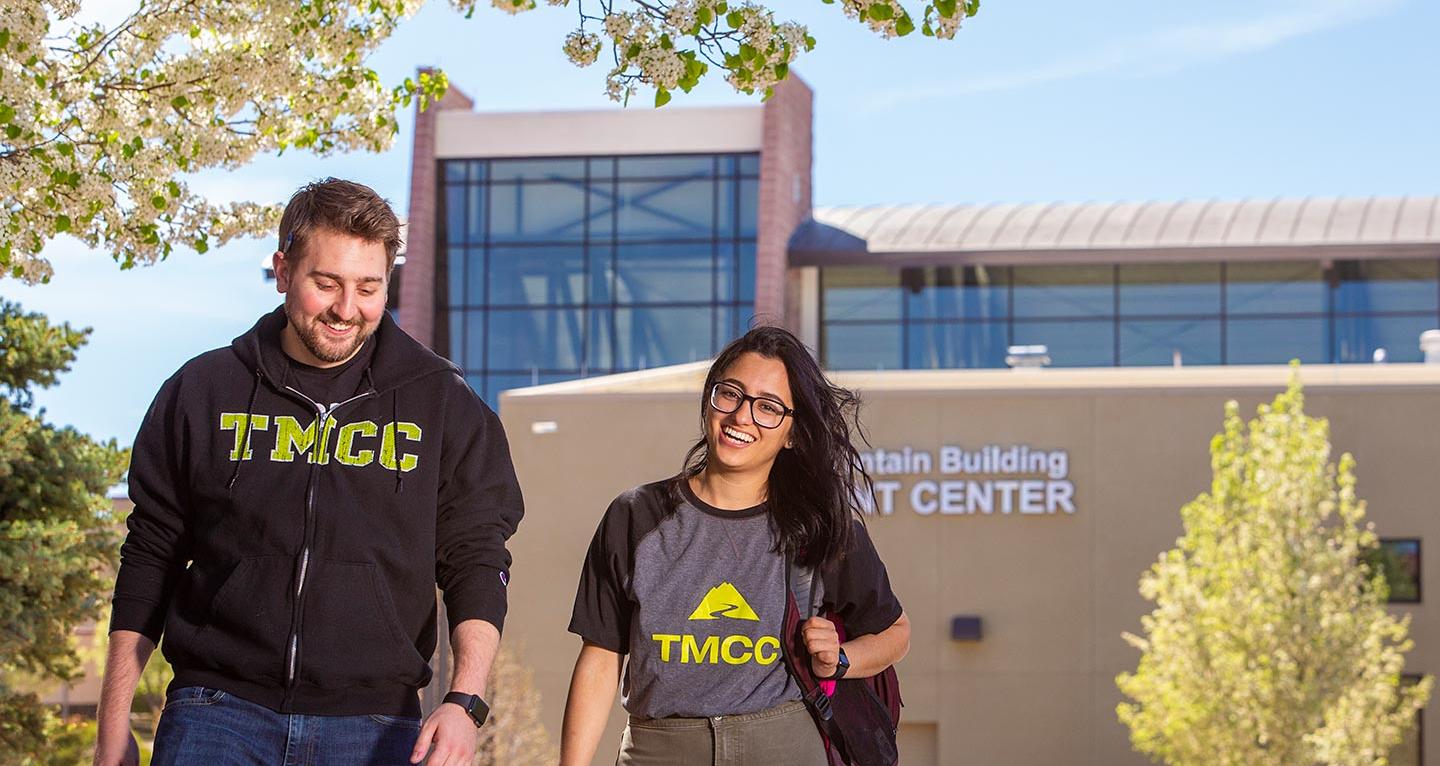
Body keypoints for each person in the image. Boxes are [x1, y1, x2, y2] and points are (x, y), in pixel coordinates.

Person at [92, 178, 524, 766]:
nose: (348, 309)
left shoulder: (443, 404)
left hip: (375, 725)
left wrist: (464, 701)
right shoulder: (204, 390)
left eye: (369, 288)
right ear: (282, 270)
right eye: (327, 284)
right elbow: (150, 553)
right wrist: (112, 721)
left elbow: (476, 557)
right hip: (216, 713)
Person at [560, 325, 911, 765]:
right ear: (709, 399)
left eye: (768, 407)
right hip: (658, 750)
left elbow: (896, 634)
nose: (742, 416)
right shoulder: (636, 516)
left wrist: (841, 659)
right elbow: (601, 656)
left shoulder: (818, 526)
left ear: (792, 433)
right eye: (731, 394)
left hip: (784, 747)